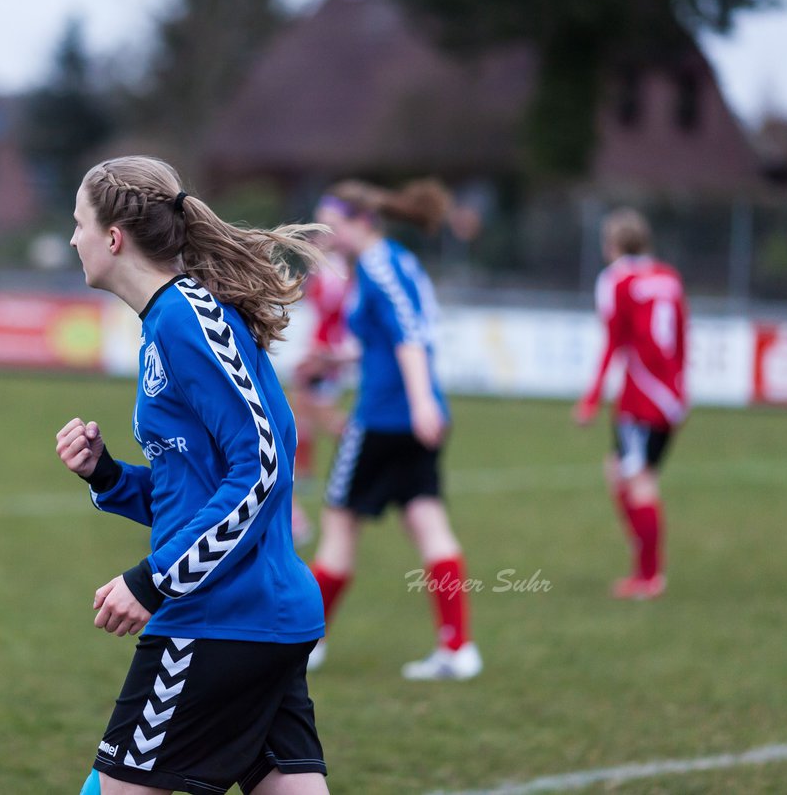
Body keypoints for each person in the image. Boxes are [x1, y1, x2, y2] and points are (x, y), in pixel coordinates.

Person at [55, 156, 330, 795]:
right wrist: (108, 476)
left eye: (78, 224)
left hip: (216, 621)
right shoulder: (170, 320)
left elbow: (262, 465)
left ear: (114, 237)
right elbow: (203, 488)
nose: (73, 239)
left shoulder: (185, 321)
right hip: (259, 618)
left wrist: (154, 581)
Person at [305, 178, 482, 681]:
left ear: (358, 221)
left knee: (339, 527)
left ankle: (303, 644)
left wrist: (423, 400)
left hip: (385, 419)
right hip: (407, 416)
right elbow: (390, 339)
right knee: (428, 524)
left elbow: (411, 337)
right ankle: (457, 648)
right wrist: (343, 354)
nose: (325, 232)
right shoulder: (393, 261)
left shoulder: (380, 267)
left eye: (331, 223)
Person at [574, 208, 688, 599]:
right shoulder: (668, 277)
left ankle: (648, 575)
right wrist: (680, 392)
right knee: (619, 471)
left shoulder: (616, 279)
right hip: (669, 395)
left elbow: (612, 342)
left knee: (637, 482)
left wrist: (591, 399)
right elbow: (683, 337)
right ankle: (644, 554)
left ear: (614, 244)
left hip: (642, 397)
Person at [288, 233, 354, 545]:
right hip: (320, 350)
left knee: (322, 416)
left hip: (326, 353)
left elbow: (335, 314)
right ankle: (305, 473)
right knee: (302, 413)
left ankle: (361, 449)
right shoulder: (325, 272)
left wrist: (321, 356)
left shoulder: (333, 271)